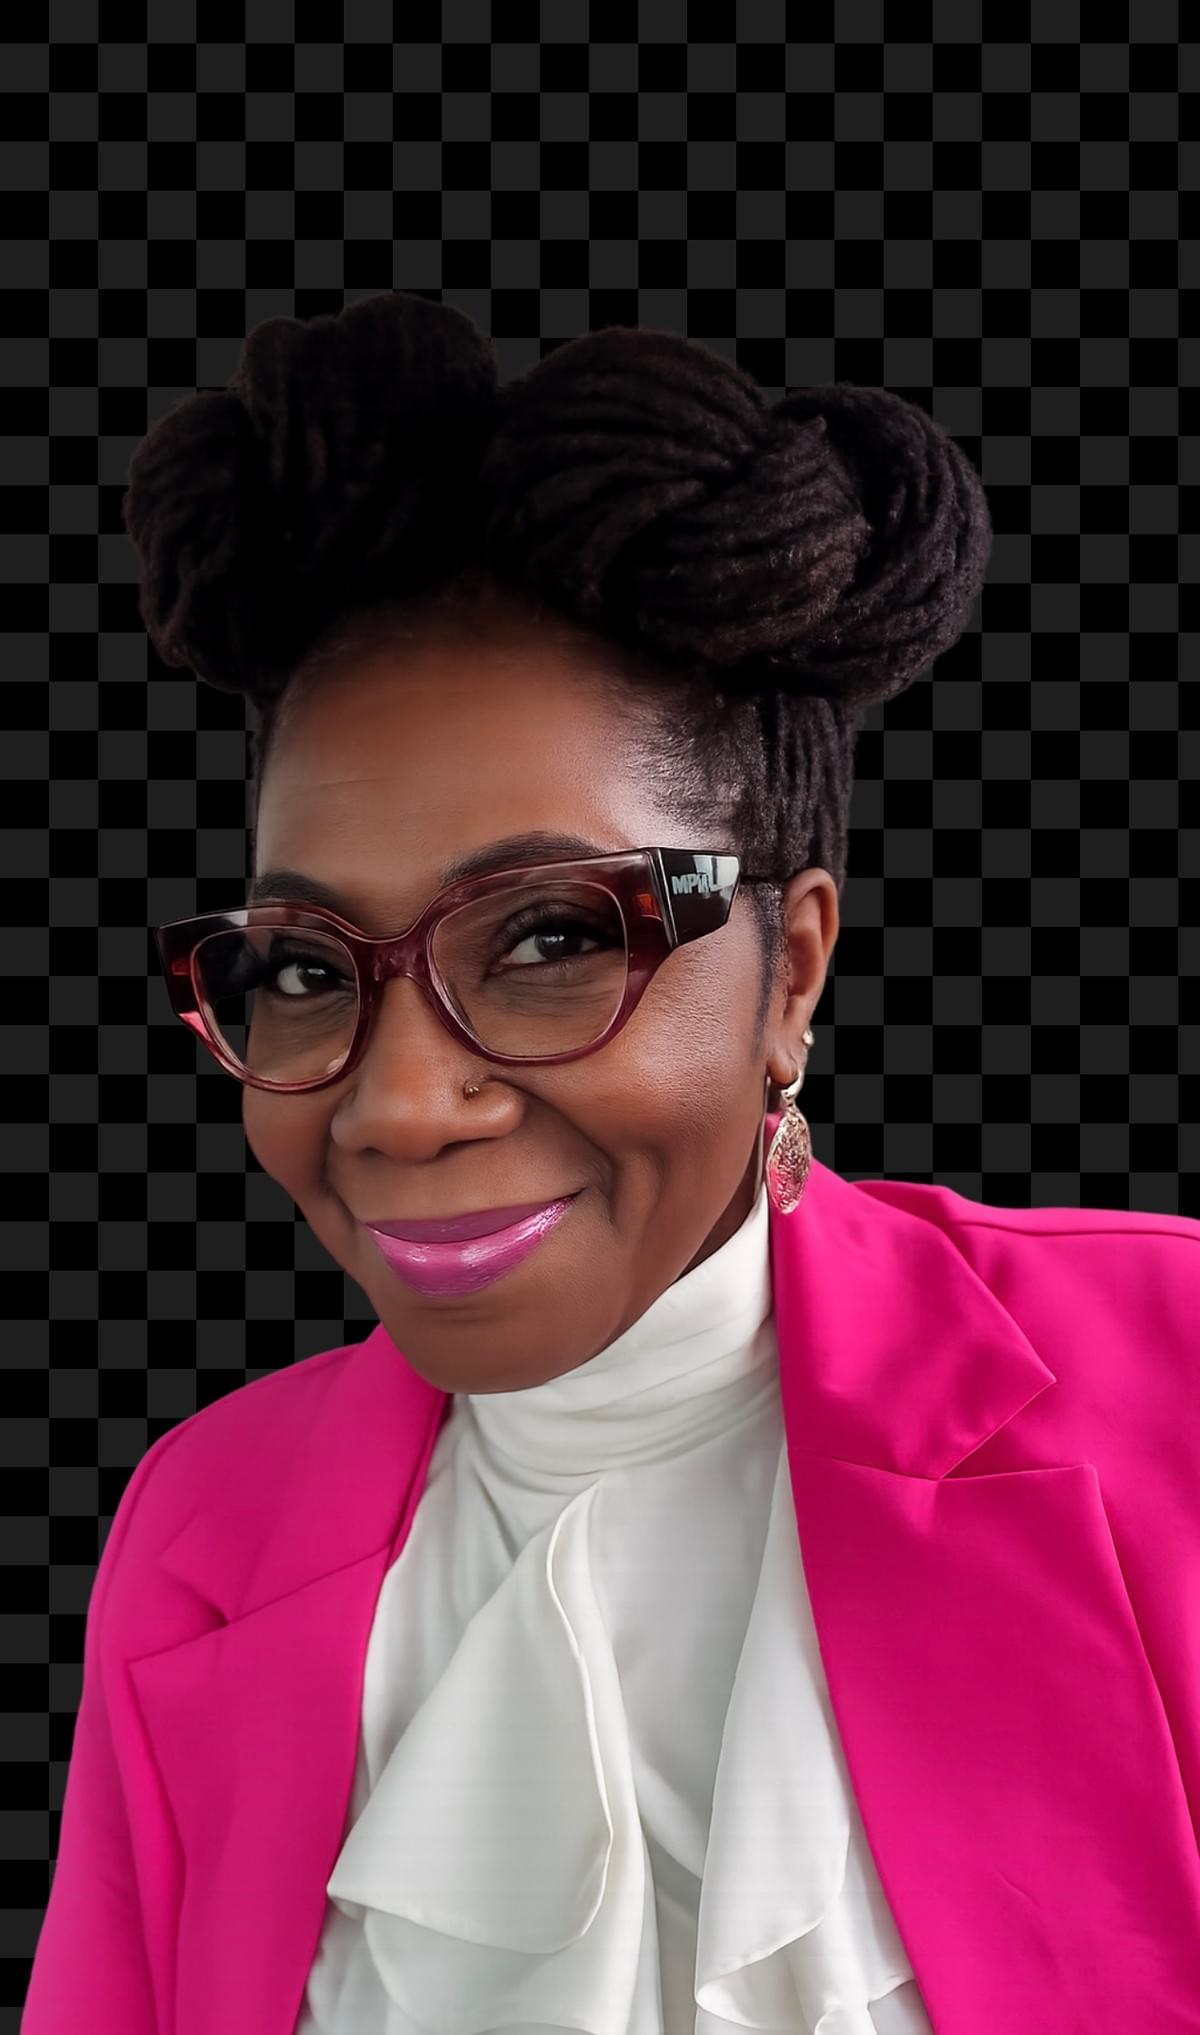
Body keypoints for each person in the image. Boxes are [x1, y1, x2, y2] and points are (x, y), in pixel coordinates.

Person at [23, 292, 1200, 2034]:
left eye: (554, 938)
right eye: (303, 968)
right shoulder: (203, 1526)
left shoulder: (1174, 1376)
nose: (397, 1107)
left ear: (791, 971)